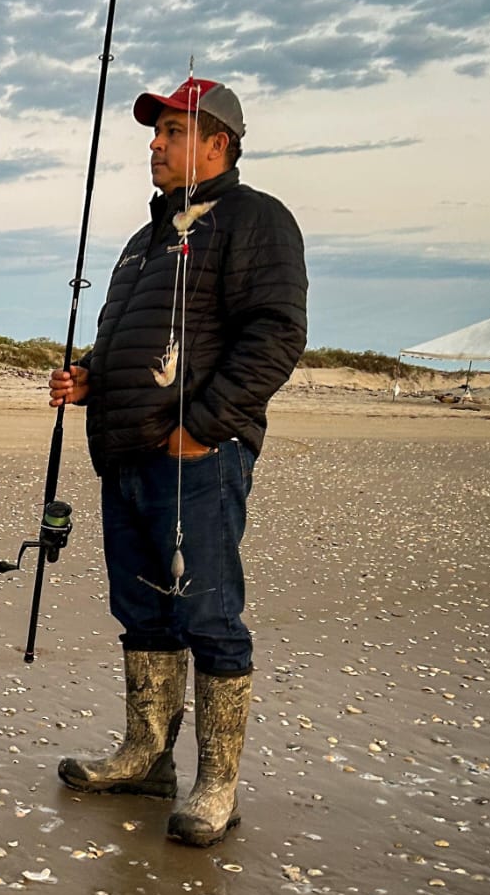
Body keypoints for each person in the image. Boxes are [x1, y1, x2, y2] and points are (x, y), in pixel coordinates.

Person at [49, 78, 307, 846]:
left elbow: (276, 335)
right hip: (125, 452)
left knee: (209, 615)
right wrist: (92, 374)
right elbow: (135, 332)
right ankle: (146, 756)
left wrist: (202, 427)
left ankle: (216, 783)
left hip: (197, 458)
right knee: (144, 611)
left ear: (217, 143)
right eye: (154, 131)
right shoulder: (147, 237)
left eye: (169, 130)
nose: (153, 144)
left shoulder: (256, 220)